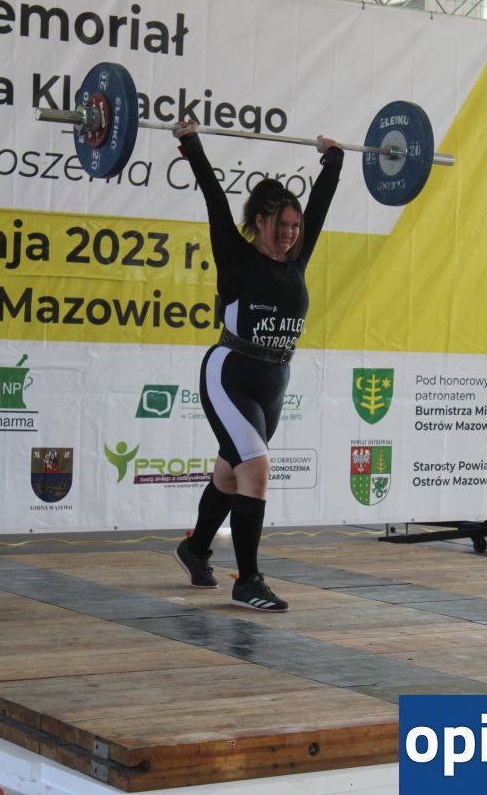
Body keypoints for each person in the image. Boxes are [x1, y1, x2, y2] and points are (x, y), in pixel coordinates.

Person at [173, 118, 344, 612]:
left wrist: (333, 161)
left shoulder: (297, 260)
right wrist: (191, 143)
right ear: (260, 221)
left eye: (295, 227)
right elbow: (213, 196)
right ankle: (247, 580)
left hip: (273, 382)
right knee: (257, 469)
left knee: (231, 475)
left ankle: (194, 549)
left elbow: (321, 205)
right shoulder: (236, 256)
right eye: (281, 225)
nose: (290, 234)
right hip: (230, 373)